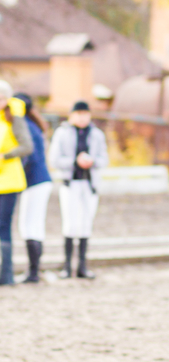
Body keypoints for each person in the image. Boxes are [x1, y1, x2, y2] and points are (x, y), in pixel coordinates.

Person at [48, 100, 108, 279]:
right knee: (70, 223)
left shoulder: (96, 134)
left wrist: (92, 161)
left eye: (85, 114)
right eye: (79, 113)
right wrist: (74, 162)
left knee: (85, 223)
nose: (82, 117)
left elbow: (104, 158)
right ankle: (67, 266)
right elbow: (54, 159)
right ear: (72, 115)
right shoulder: (62, 133)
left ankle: (82, 265)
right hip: (70, 182)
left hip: (89, 184)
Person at [14, 93, 53, 283]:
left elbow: (27, 157)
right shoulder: (33, 124)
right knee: (33, 224)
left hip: (34, 181)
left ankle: (34, 271)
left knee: (30, 225)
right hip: (39, 180)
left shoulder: (25, 127)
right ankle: (35, 270)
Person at [0, 80, 33, 285]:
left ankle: (7, 273)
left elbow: (27, 146)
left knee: (3, 227)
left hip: (9, 180)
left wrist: (6, 156)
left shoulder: (14, 118)